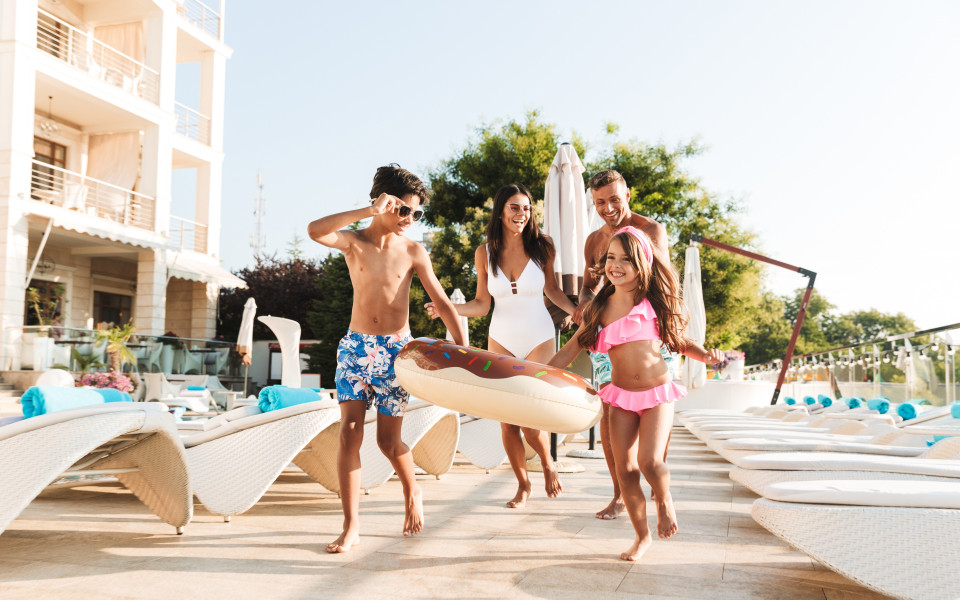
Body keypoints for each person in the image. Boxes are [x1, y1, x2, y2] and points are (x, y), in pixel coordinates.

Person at [307, 164, 467, 554]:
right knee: (349, 432)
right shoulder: (354, 242)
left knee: (388, 441)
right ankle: (351, 526)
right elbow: (315, 230)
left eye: (417, 213)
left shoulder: (413, 251)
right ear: (383, 203)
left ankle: (413, 492)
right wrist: (368, 211)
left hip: (397, 352)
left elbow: (443, 303)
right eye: (404, 211)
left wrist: (462, 350)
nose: (411, 219)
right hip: (355, 349)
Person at [549, 226, 722, 561]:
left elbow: (680, 341)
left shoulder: (654, 304)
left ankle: (665, 497)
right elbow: (571, 348)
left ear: (642, 262)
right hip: (620, 397)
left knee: (649, 461)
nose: (616, 264)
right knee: (624, 468)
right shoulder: (599, 307)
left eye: (626, 259)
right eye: (611, 257)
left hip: (658, 393)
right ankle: (642, 537)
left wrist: (705, 355)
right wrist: (539, 373)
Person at [425, 183, 577, 508]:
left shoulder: (543, 247)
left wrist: (578, 312)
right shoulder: (485, 252)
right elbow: (481, 304)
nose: (521, 214)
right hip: (501, 338)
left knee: (529, 414)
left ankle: (548, 463)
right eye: (514, 207)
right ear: (501, 210)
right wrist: (447, 310)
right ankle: (523, 484)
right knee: (508, 420)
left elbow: (552, 291)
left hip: (539, 336)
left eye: (526, 208)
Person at [574, 169, 676, 521]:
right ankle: (620, 493)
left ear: (627, 195)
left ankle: (657, 485)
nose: (608, 208)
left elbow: (663, 282)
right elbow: (587, 287)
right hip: (608, 338)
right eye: (600, 202)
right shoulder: (593, 242)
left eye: (614, 199)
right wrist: (585, 305)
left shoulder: (650, 231)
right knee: (609, 420)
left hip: (647, 334)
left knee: (653, 412)